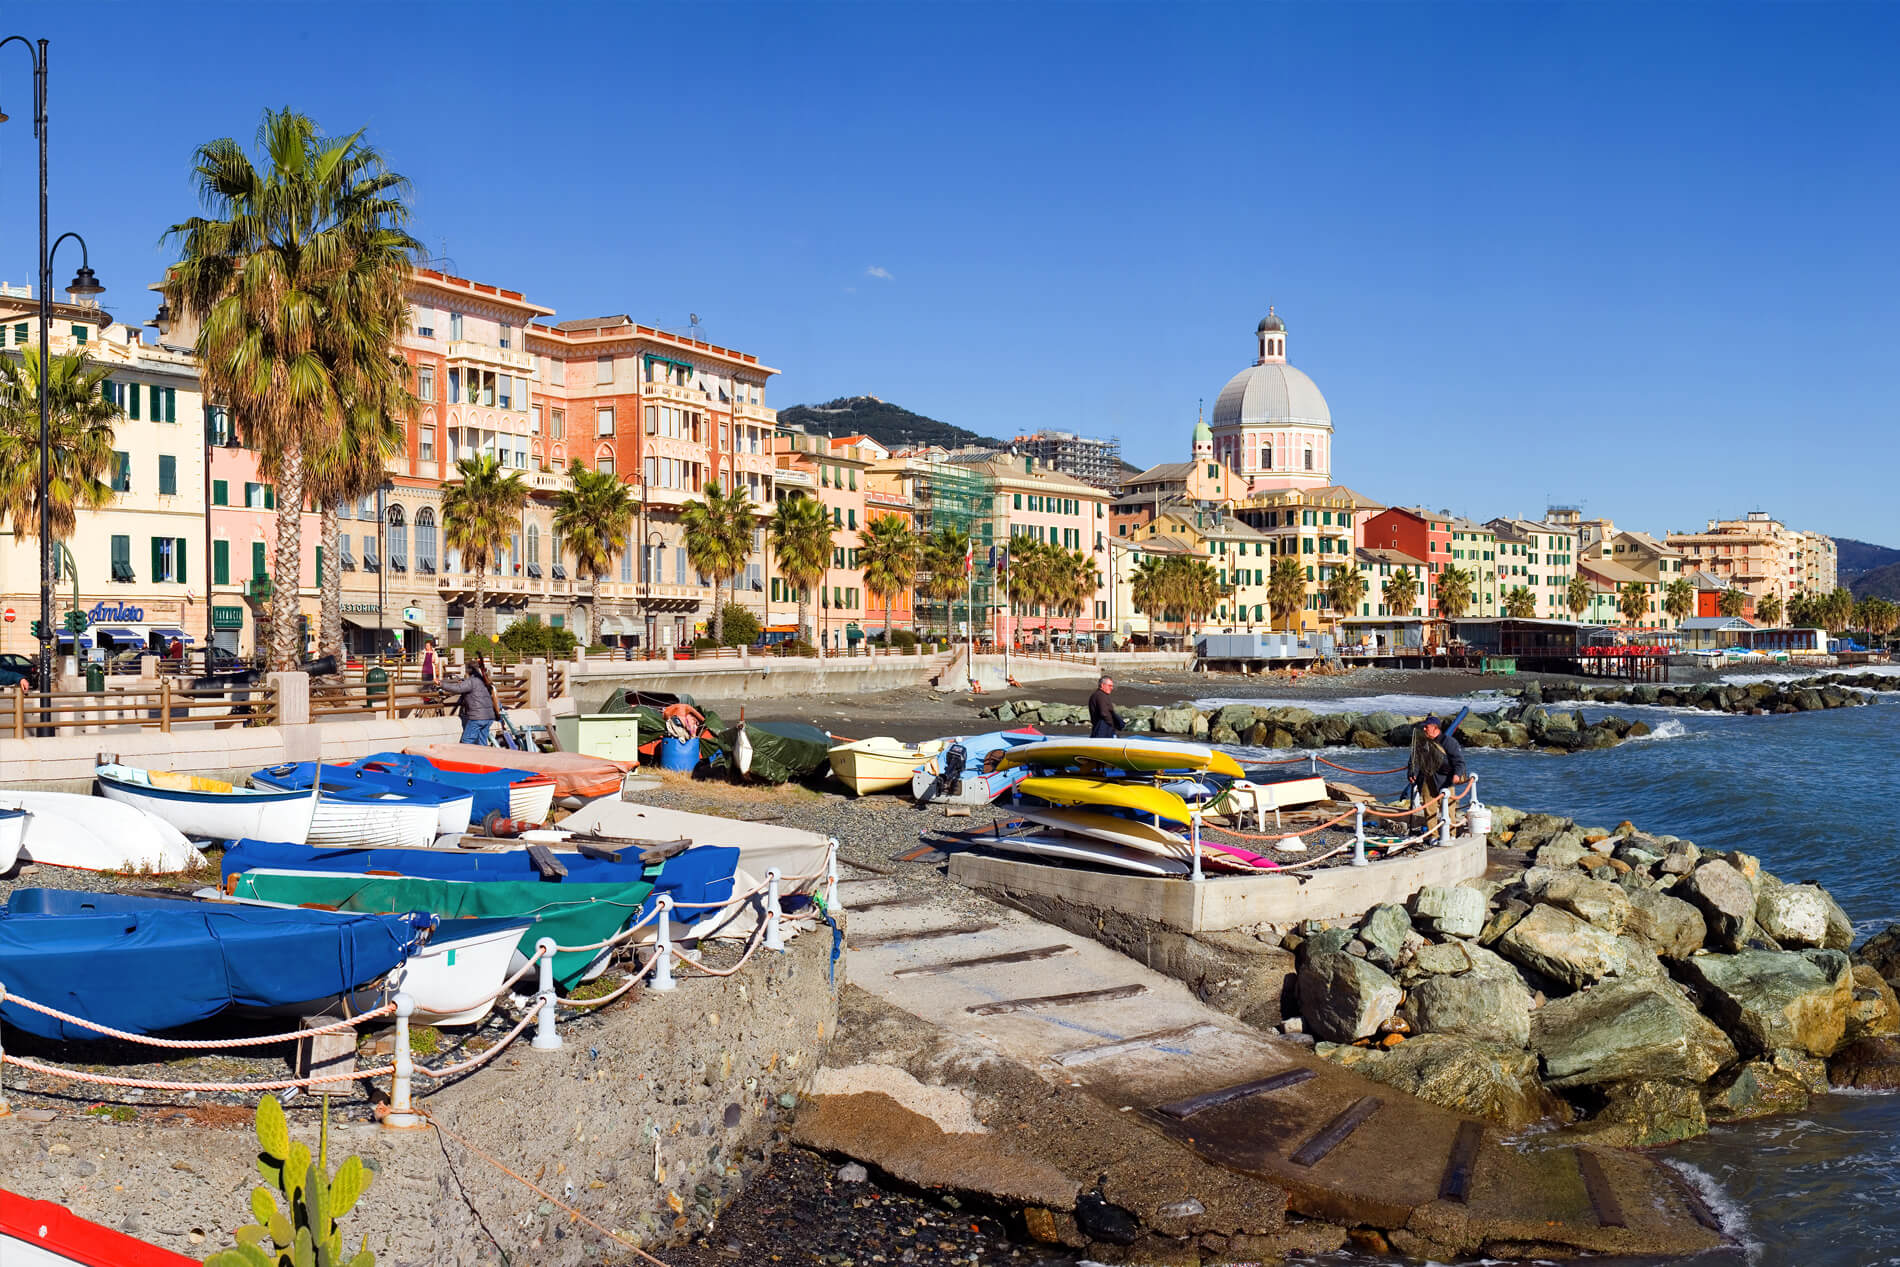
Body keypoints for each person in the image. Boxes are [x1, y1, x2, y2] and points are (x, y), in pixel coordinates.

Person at [1408, 714, 1469, 832]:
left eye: (1427, 727)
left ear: (1435, 728)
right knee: (1429, 812)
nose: (1424, 729)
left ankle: (1451, 834)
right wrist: (1411, 773)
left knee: (1449, 811)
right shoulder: (1422, 743)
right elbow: (1413, 761)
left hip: (1446, 781)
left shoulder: (1449, 742)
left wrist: (1457, 774)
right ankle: (1433, 836)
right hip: (1427, 780)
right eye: (1424, 727)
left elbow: (1459, 762)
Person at [436, 654, 498, 745]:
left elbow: (458, 689)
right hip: (489, 716)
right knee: (482, 742)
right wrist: (464, 683)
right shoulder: (484, 680)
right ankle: (483, 759)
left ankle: (465, 758)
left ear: (468, 671)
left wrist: (441, 684)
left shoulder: (471, 681)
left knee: (466, 741)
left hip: (477, 717)